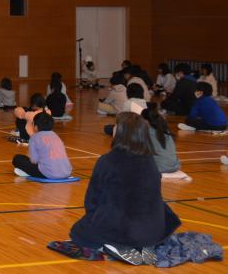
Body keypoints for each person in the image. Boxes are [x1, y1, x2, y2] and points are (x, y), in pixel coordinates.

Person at [68, 112, 180, 265]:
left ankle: (117, 246)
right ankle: (143, 245)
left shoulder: (108, 161)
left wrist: (94, 220)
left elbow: (92, 202)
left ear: (121, 133)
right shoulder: (150, 161)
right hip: (155, 229)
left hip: (124, 228)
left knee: (78, 232)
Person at [12, 113, 72, 179]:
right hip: (67, 172)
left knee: (17, 158)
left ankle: (27, 172)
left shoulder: (34, 137)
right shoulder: (56, 136)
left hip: (48, 173)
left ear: (36, 126)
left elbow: (34, 160)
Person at [142, 107, 189, 181]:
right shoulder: (165, 130)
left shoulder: (146, 132)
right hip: (175, 166)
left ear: (145, 121)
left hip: (159, 168)